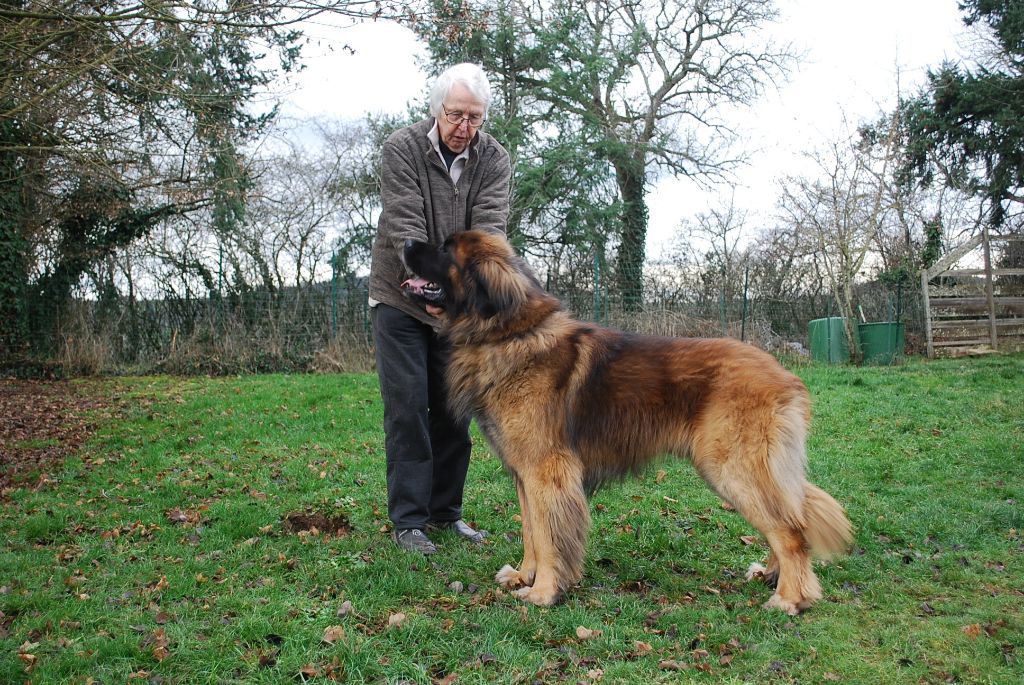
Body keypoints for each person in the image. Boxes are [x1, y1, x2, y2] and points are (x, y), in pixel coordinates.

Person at [368, 63, 512, 554]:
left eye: (475, 118)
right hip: (399, 300)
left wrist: (459, 300)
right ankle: (409, 521)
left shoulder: (493, 159)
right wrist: (427, 292)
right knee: (408, 409)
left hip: (457, 310)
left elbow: (489, 233)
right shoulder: (401, 148)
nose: (464, 128)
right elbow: (403, 226)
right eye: (455, 115)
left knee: (454, 414)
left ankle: (446, 513)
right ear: (437, 110)